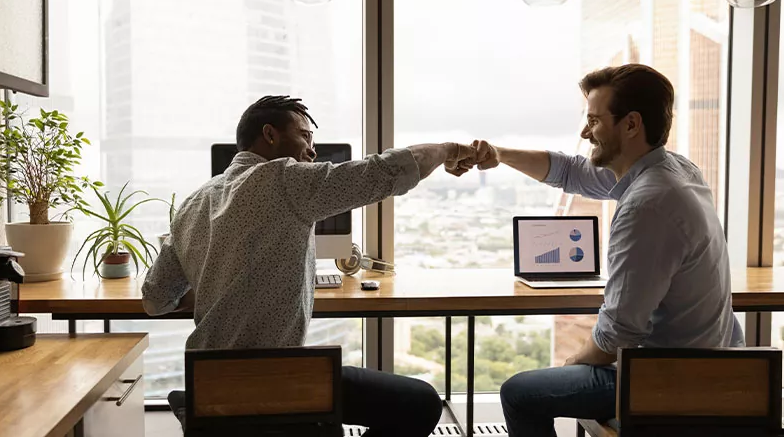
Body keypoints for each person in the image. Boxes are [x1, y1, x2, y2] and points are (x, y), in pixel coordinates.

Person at [142, 95, 477, 436]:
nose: (312, 150)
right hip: (275, 382)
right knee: (420, 403)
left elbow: (156, 299)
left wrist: (219, 283)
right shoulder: (284, 179)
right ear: (270, 135)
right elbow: (386, 170)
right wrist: (450, 150)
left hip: (209, 387)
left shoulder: (193, 202)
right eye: (305, 136)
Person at [467, 64, 745, 437]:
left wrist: (573, 362)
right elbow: (571, 172)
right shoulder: (675, 170)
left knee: (519, 393)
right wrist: (498, 154)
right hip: (713, 363)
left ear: (631, 124)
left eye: (595, 121)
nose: (586, 132)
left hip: (666, 378)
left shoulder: (646, 205)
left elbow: (618, 335)